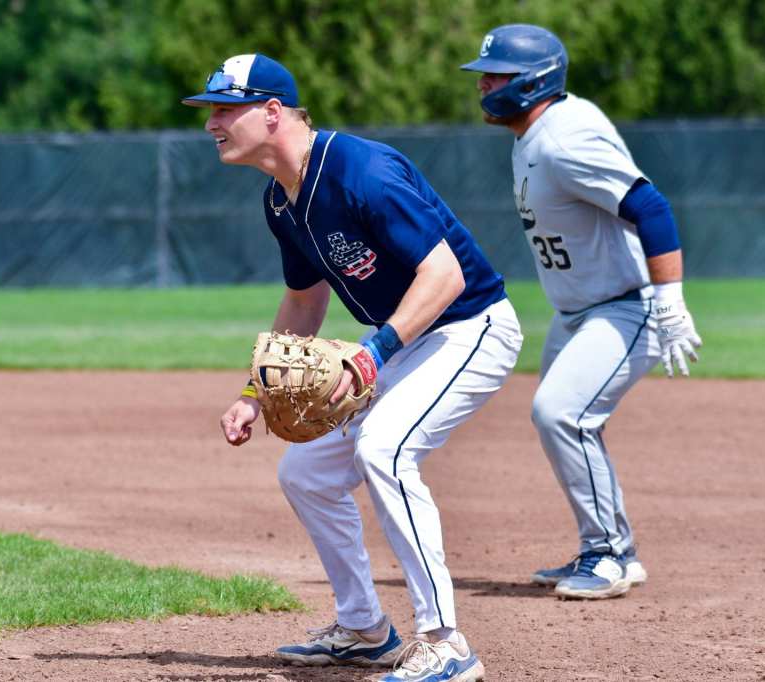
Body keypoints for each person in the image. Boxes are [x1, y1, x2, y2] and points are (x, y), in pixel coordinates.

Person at [182, 53, 522, 682]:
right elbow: (304, 301)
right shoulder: (280, 201)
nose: (212, 124)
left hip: (469, 325)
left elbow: (445, 276)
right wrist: (255, 393)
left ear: (272, 111)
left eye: (225, 109)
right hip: (402, 339)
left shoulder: (362, 171)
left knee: (384, 449)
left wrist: (373, 353)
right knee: (306, 472)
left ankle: (445, 641)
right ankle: (364, 628)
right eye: (211, 112)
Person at [460, 25, 702, 600]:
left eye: (496, 75)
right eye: (484, 75)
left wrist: (669, 301)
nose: (484, 85)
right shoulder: (533, 134)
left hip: (625, 305)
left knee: (561, 414)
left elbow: (650, 206)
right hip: (578, 312)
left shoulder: (563, 139)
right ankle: (609, 549)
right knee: (564, 423)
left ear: (533, 82)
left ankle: (610, 555)